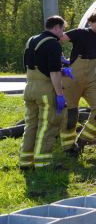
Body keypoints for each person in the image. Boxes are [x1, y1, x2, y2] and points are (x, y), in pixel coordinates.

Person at [60, 10, 96, 155]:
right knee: (71, 114)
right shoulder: (79, 33)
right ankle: (68, 148)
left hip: (90, 79)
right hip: (72, 79)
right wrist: (59, 58)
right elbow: (57, 39)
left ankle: (83, 140)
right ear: (90, 23)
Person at [19, 16, 70, 169]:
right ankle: (43, 164)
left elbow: (33, 64)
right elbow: (53, 73)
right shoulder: (53, 44)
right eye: (62, 29)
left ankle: (25, 162)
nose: (63, 32)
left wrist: (63, 71)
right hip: (45, 90)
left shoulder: (32, 40)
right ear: (56, 27)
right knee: (47, 125)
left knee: (31, 125)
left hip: (29, 87)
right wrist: (60, 94)